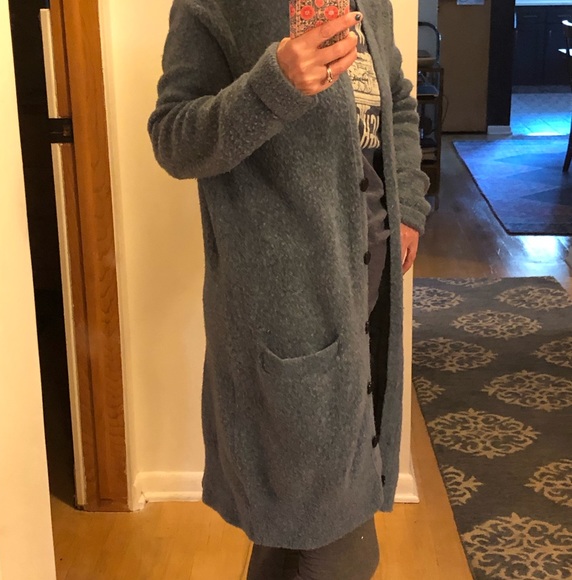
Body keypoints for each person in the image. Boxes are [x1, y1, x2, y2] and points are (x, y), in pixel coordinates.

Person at [148, 0, 431, 577]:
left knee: (294, 525)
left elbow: (398, 99)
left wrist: (409, 205)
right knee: (339, 539)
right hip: (285, 305)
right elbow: (173, 138)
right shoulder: (213, 6)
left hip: (372, 280)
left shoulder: (370, 4)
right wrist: (273, 83)